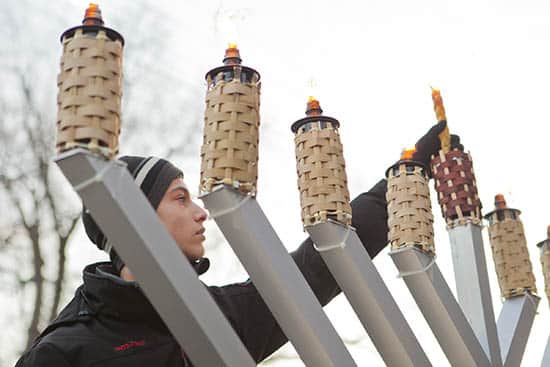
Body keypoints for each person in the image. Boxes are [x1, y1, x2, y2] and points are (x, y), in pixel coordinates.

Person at [15, 121, 453, 366]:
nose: (201, 211)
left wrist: (403, 179)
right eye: (179, 198)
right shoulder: (63, 351)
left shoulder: (223, 318)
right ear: (134, 218)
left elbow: (320, 266)